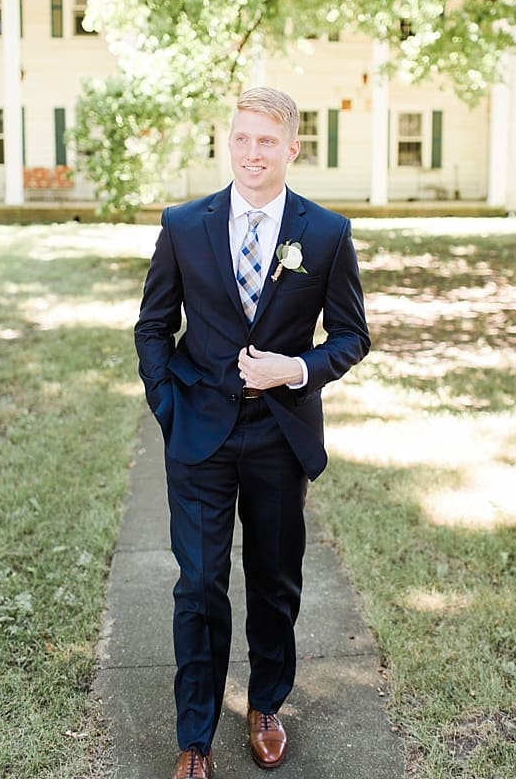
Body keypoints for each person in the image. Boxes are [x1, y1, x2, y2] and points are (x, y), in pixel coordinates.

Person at [134, 88, 370, 778]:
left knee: (273, 578)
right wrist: (168, 406)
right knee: (199, 584)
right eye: (241, 138)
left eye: (266, 141)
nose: (251, 153)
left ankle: (265, 703)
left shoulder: (325, 234)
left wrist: (295, 367)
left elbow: (352, 336)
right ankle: (195, 736)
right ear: (228, 141)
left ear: (292, 147)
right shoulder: (184, 224)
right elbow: (153, 325)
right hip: (197, 432)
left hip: (278, 435)